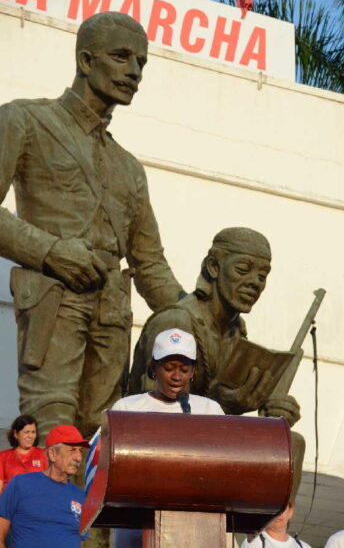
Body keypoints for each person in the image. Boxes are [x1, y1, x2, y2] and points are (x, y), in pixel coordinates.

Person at [0, 11, 184, 443]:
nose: (134, 72)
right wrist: (49, 250)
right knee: (55, 431)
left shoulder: (130, 168)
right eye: (121, 57)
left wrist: (195, 315)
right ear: (85, 60)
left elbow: (150, 265)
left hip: (112, 314)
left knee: (100, 439)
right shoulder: (25, 121)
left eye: (141, 62)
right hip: (53, 301)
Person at [128, 227, 304, 500]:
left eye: (262, 276)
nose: (254, 282)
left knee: (291, 443)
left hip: (207, 448)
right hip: (154, 453)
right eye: (243, 269)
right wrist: (225, 406)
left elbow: (225, 412)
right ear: (213, 267)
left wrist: (272, 413)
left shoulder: (236, 332)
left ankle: (270, 533)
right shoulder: (176, 324)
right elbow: (156, 419)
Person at [85, 327, 224, 547]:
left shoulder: (209, 410)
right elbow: (98, 459)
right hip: (134, 528)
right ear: (153, 368)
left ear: (193, 371)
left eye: (184, 369)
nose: (177, 376)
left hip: (194, 530)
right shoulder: (127, 408)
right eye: (169, 368)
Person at [0, 424, 90, 548]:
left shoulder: (81, 496)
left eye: (80, 451)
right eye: (72, 450)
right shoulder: (21, 484)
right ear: (53, 454)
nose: (78, 457)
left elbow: (79, 541)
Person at [0, 414, 47, 494]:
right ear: (16, 434)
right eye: (26, 432)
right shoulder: (3, 456)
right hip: (11, 503)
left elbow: (50, 485)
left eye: (33, 432)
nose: (30, 436)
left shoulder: (43, 455)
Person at [241, 504, 311, 548]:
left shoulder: (304, 546)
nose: (279, 513)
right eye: (275, 507)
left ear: (290, 512)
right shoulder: (254, 542)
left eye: (283, 508)